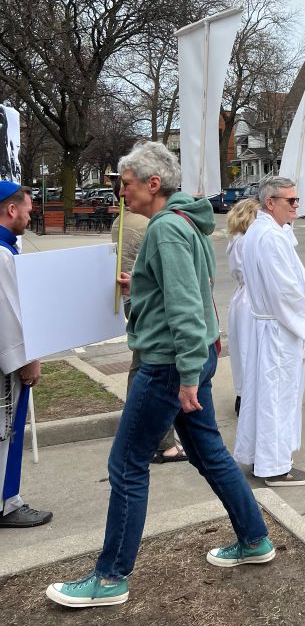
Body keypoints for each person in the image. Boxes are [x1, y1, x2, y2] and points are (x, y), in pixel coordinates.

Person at [46, 142, 274, 608]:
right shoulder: (186, 221)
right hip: (190, 357)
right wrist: (143, 282)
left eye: (125, 184)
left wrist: (188, 374)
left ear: (153, 184)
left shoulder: (166, 229)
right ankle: (254, 540)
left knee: (127, 464)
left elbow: (186, 305)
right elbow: (187, 286)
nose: (120, 192)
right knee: (208, 452)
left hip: (170, 364)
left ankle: (109, 578)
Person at [233, 177, 305, 487]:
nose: (296, 205)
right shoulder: (269, 236)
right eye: (290, 201)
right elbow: (284, 287)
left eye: (297, 200)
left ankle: (261, 456)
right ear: (270, 203)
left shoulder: (264, 230)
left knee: (265, 394)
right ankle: (275, 466)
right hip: (278, 329)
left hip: (269, 327)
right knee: (277, 397)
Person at [111, 175, 184, 464]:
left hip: (132, 297)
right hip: (146, 303)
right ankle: (162, 441)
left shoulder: (121, 222)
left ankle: (145, 429)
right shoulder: (153, 227)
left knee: (139, 363)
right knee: (152, 367)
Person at [0, 182, 51, 528]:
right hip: (5, 362)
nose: (32, 214)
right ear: (11, 209)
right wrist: (26, 357)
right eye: (28, 208)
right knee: (6, 431)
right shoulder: (2, 254)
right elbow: (8, 312)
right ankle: (7, 503)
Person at [226, 198, 260, 417]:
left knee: (241, 348)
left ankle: (242, 393)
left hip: (241, 298)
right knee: (250, 348)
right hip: (252, 297)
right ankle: (249, 396)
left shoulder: (235, 240)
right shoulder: (247, 241)